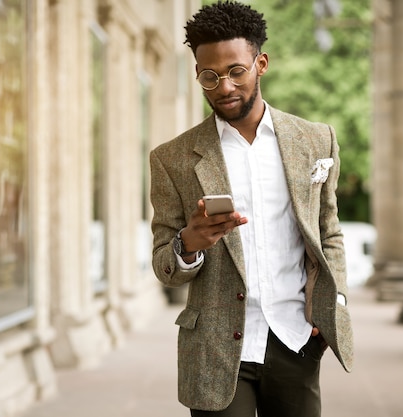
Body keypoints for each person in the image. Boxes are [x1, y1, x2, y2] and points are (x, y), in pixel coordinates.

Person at [149, 1, 353, 416]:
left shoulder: (315, 141)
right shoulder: (172, 159)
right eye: (210, 76)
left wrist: (335, 303)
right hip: (215, 350)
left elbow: (328, 230)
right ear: (197, 75)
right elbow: (163, 268)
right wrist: (189, 244)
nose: (223, 87)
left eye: (235, 71)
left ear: (260, 63)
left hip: (297, 338)